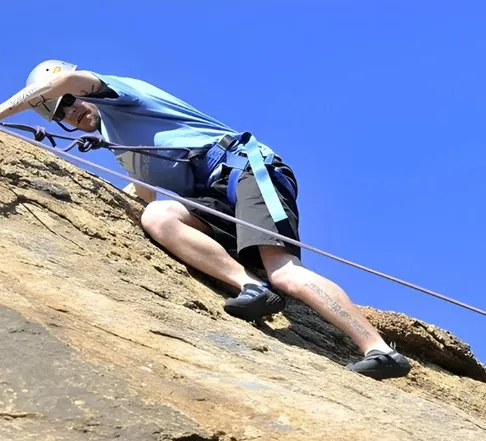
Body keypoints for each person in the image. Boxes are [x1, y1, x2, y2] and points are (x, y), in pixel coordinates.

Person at [0, 59, 411, 380]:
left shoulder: (119, 94)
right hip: (214, 200)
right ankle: (251, 288)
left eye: (68, 102)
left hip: (243, 170)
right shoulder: (121, 147)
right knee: (159, 216)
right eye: (57, 115)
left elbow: (67, 82)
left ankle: (378, 348)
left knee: (284, 272)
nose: (68, 113)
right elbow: (142, 196)